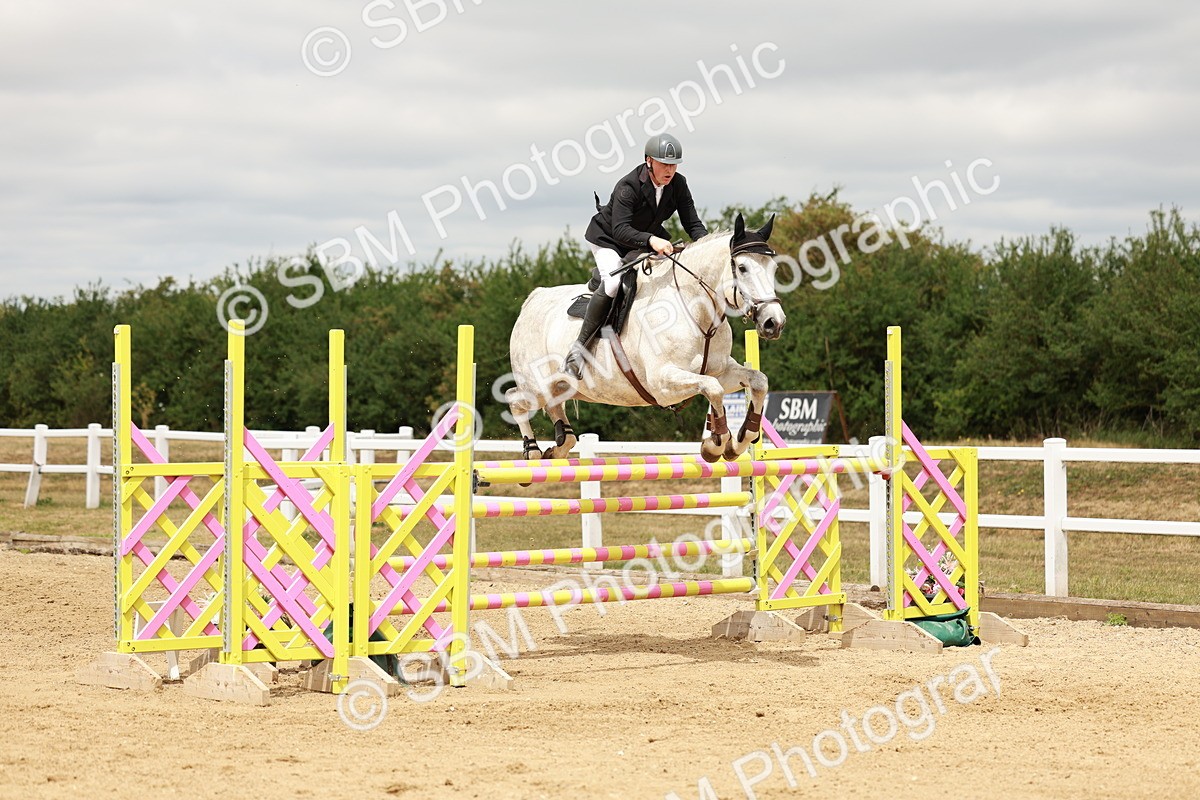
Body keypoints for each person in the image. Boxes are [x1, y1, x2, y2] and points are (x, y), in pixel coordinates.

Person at [563, 133, 709, 379]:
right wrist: (652, 240)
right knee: (612, 283)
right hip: (608, 239)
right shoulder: (628, 186)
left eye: (673, 164)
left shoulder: (679, 184)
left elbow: (693, 223)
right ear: (649, 161)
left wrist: (708, 247)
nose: (670, 170)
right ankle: (578, 352)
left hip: (642, 238)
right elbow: (620, 229)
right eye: (664, 164)